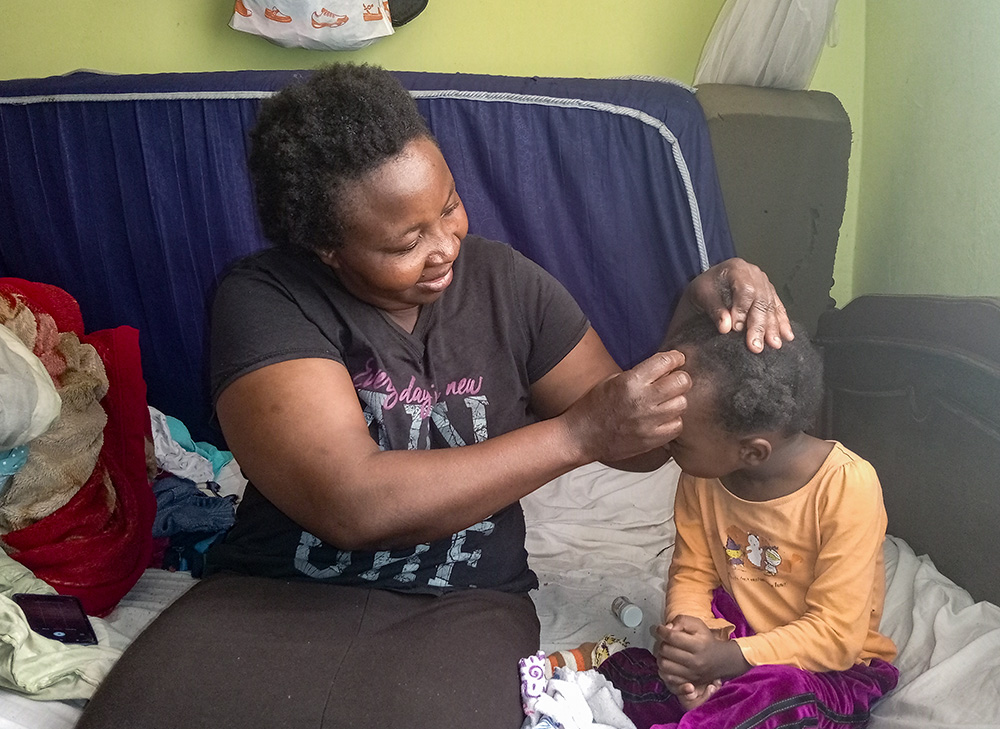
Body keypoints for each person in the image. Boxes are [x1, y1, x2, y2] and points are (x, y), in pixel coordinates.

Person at [78, 63, 791, 729]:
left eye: (449, 206)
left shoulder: (508, 284)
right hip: (274, 589)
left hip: (465, 600)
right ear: (327, 249)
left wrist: (693, 329)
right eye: (404, 240)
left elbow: (634, 442)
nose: (445, 243)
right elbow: (353, 503)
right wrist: (576, 434)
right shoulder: (264, 297)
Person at [597, 316, 899, 729]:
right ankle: (703, 709)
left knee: (772, 701)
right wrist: (690, 644)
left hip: (831, 669)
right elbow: (693, 573)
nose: (664, 441)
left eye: (677, 439)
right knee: (625, 673)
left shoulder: (847, 485)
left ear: (753, 453)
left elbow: (836, 636)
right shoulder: (701, 478)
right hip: (736, 637)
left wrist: (728, 660)